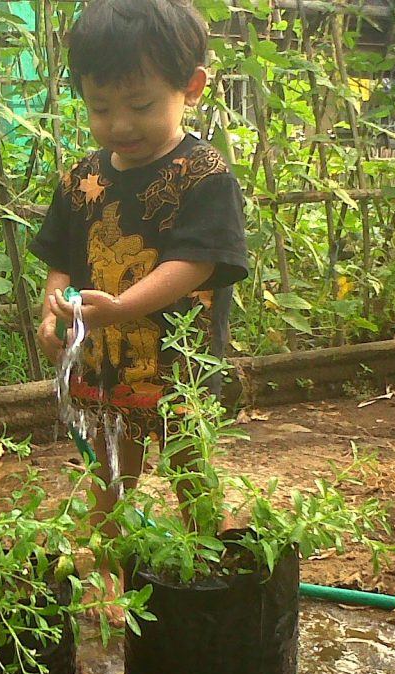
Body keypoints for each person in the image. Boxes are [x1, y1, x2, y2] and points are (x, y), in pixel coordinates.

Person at [29, 0, 249, 604]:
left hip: (178, 363)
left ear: (192, 87)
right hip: (103, 363)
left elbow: (196, 262)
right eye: (101, 107)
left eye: (140, 105)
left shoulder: (203, 175)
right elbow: (63, 261)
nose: (119, 124)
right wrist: (54, 312)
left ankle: (213, 581)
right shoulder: (82, 178)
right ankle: (113, 586)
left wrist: (123, 306)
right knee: (105, 470)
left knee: (186, 466)